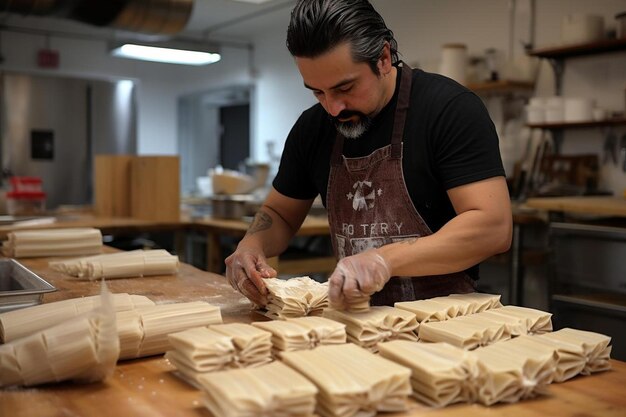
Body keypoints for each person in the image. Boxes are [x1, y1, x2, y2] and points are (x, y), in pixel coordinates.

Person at [226, 0, 512, 310]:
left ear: (384, 58)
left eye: (345, 87)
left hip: (446, 323)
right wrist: (251, 244)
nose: (333, 108)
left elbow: (493, 228)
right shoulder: (312, 128)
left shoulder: (449, 110)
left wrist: (384, 259)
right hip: (354, 321)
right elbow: (280, 214)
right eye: (318, 92)